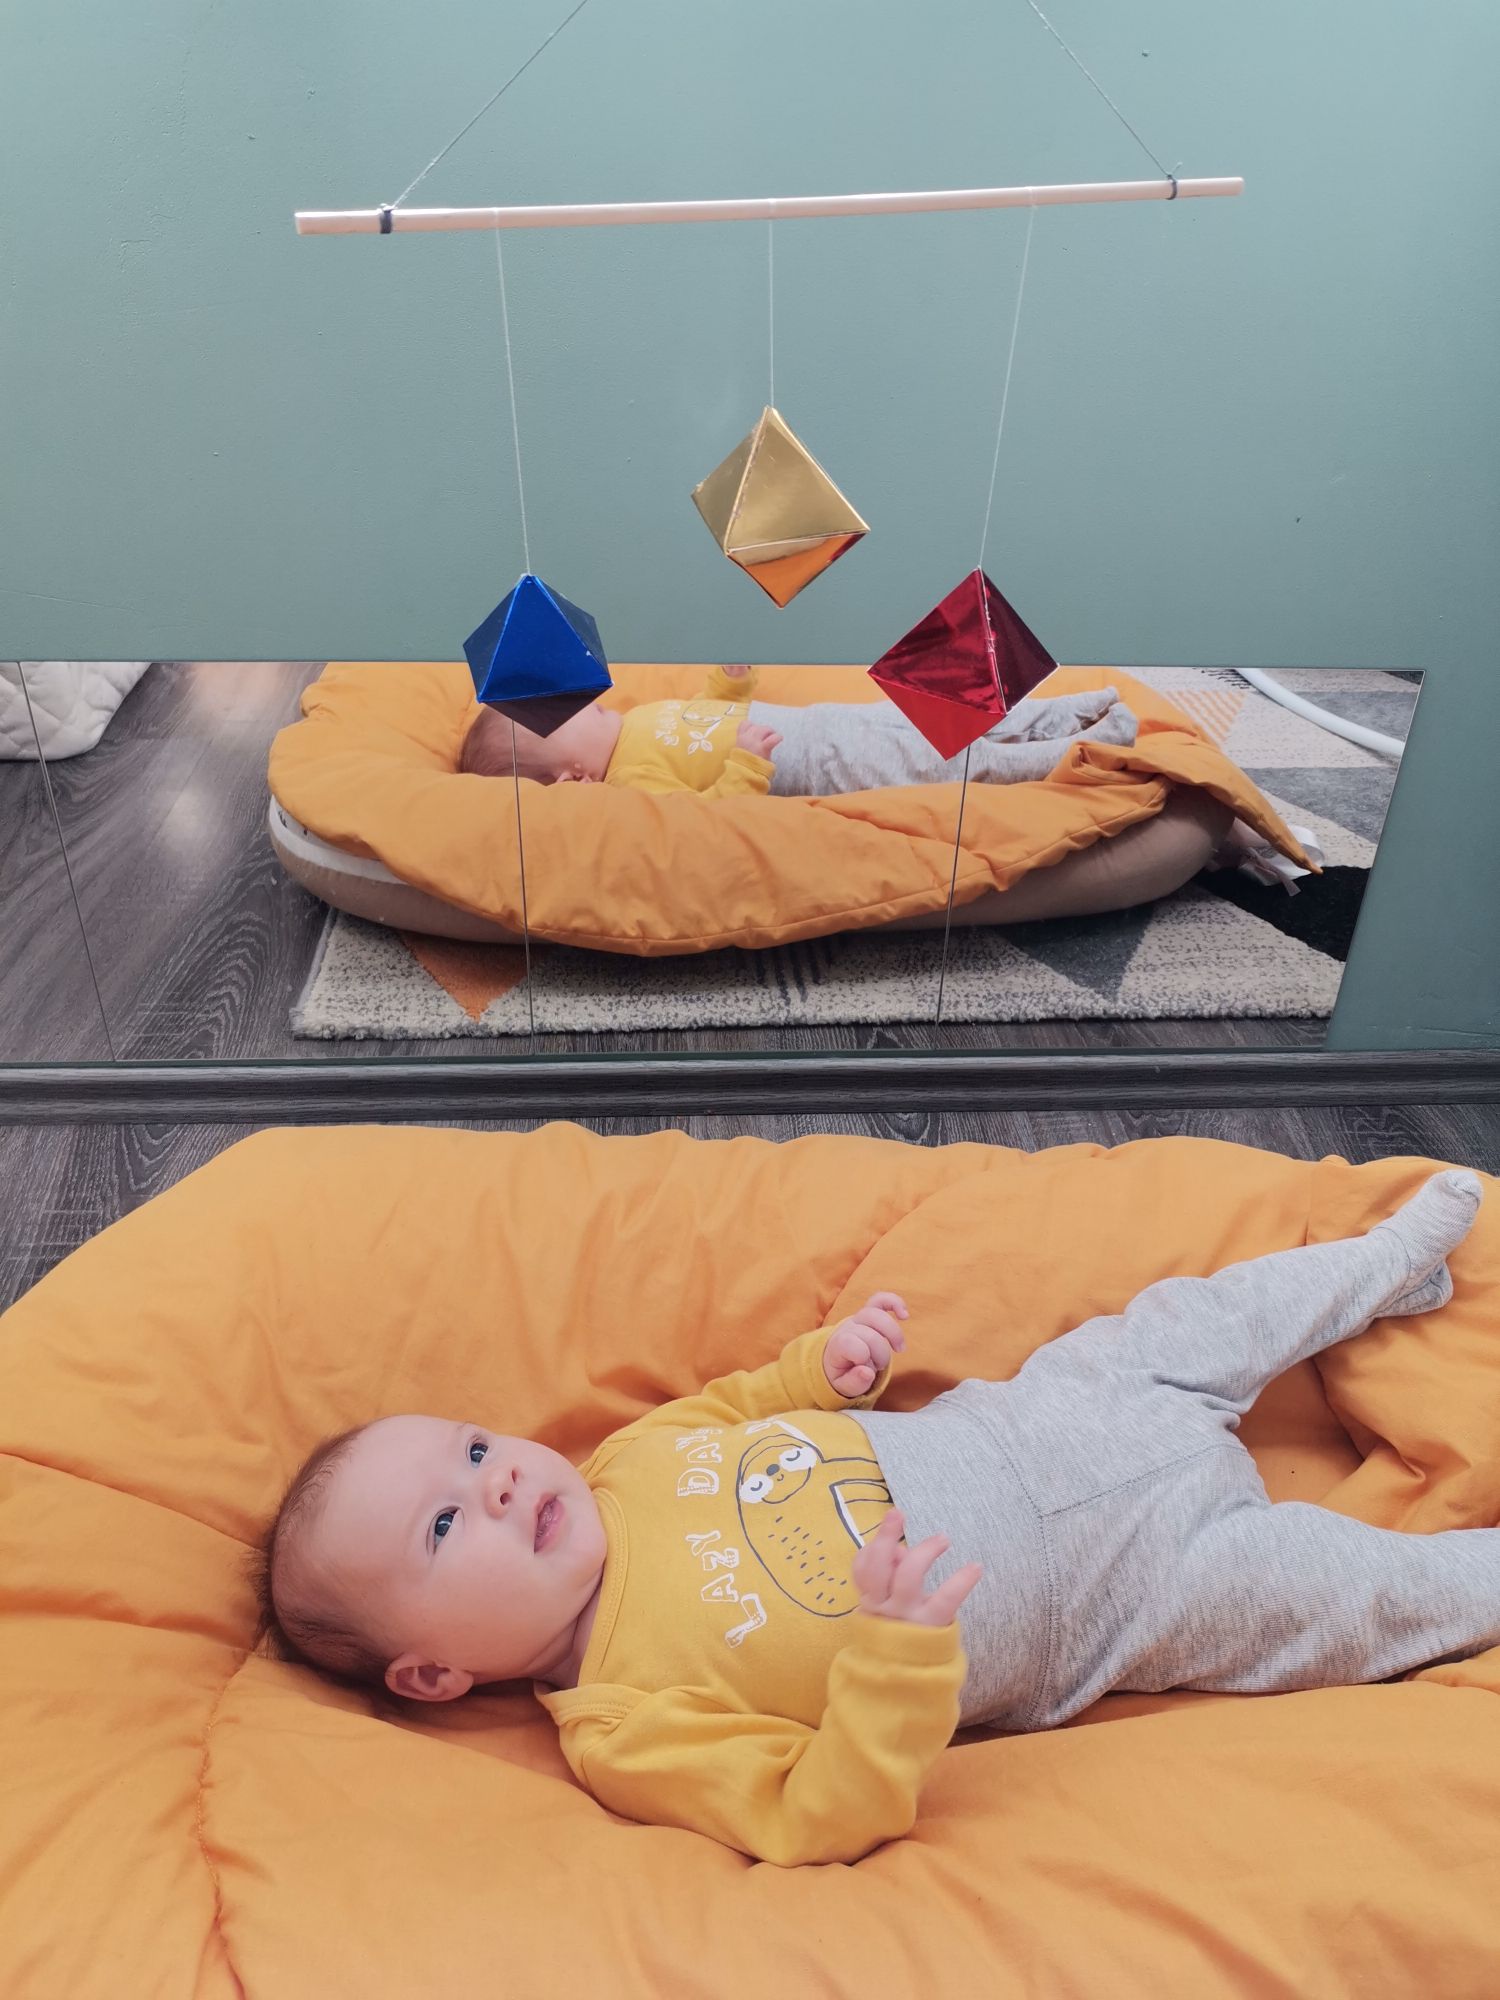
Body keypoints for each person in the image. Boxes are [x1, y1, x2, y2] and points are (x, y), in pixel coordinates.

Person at [254, 1169, 1497, 1867]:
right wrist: (897, 1657)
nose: (501, 1481)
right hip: (1110, 1595)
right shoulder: (624, 1724)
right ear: (431, 1672)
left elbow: (736, 1404)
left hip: (1032, 1419)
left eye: (475, 1449)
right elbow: (812, 1810)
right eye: (442, 1526)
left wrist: (823, 1370)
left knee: (1179, 1322)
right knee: (1356, 1597)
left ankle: (1380, 1262)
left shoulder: (628, 1459)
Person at [458, 663, 1138, 798]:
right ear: (571, 777)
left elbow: (701, 709)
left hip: (823, 724)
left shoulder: (636, 719)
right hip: (820, 765)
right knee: (951, 764)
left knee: (935, 715)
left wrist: (729, 685)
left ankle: (1069, 709)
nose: (576, 706)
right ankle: (1081, 749)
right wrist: (745, 767)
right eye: (558, 723)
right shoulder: (631, 783)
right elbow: (704, 824)